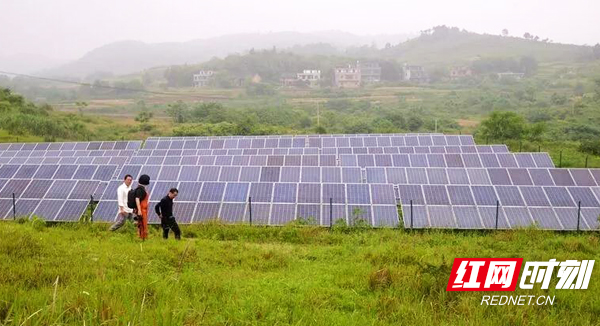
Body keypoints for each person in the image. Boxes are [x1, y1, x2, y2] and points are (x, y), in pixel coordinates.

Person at [134, 174, 151, 240]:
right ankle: (142, 239)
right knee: (142, 225)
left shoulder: (141, 188)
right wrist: (139, 210)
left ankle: (143, 238)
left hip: (143, 209)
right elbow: (137, 199)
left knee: (143, 225)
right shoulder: (140, 189)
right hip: (142, 210)